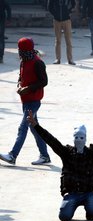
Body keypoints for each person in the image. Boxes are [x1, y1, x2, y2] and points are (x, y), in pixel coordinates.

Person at [26, 110, 93, 221]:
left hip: (88, 193)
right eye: (76, 138)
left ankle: (89, 209)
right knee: (64, 217)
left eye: (81, 138)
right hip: (71, 193)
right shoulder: (66, 153)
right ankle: (71, 206)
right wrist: (36, 126)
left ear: (85, 139)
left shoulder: (92, 154)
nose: (79, 140)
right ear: (73, 139)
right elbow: (51, 141)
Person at [0, 37, 51, 166]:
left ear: (26, 50)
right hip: (25, 100)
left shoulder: (37, 63)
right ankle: (45, 156)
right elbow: (20, 76)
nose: (19, 52)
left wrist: (28, 89)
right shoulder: (24, 60)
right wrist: (19, 86)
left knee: (23, 128)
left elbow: (44, 81)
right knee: (35, 128)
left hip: (34, 101)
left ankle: (12, 155)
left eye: (21, 50)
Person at [48, 0, 76, 65]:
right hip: (56, 20)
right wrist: (55, 14)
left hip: (67, 20)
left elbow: (73, 4)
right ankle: (57, 59)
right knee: (58, 40)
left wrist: (69, 11)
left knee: (68, 40)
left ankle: (70, 59)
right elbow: (49, 7)